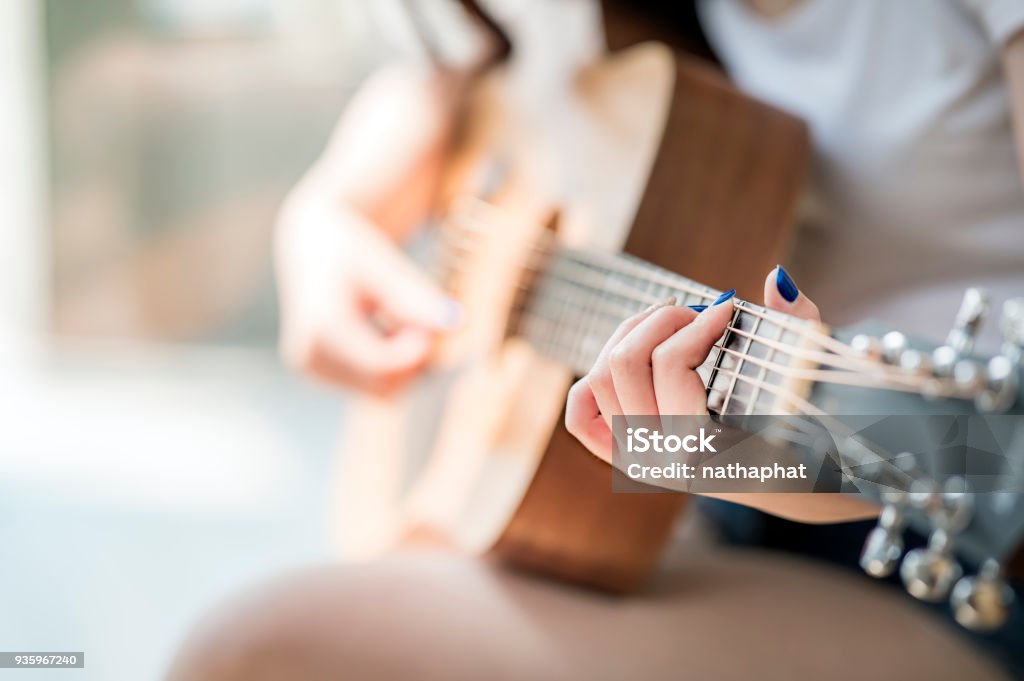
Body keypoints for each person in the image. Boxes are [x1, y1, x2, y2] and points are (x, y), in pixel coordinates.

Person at [168, 1, 1024, 678]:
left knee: (259, 654)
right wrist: (330, 208)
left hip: (962, 562)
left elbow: (987, 452)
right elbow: (457, 59)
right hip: (703, 518)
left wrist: (763, 455)